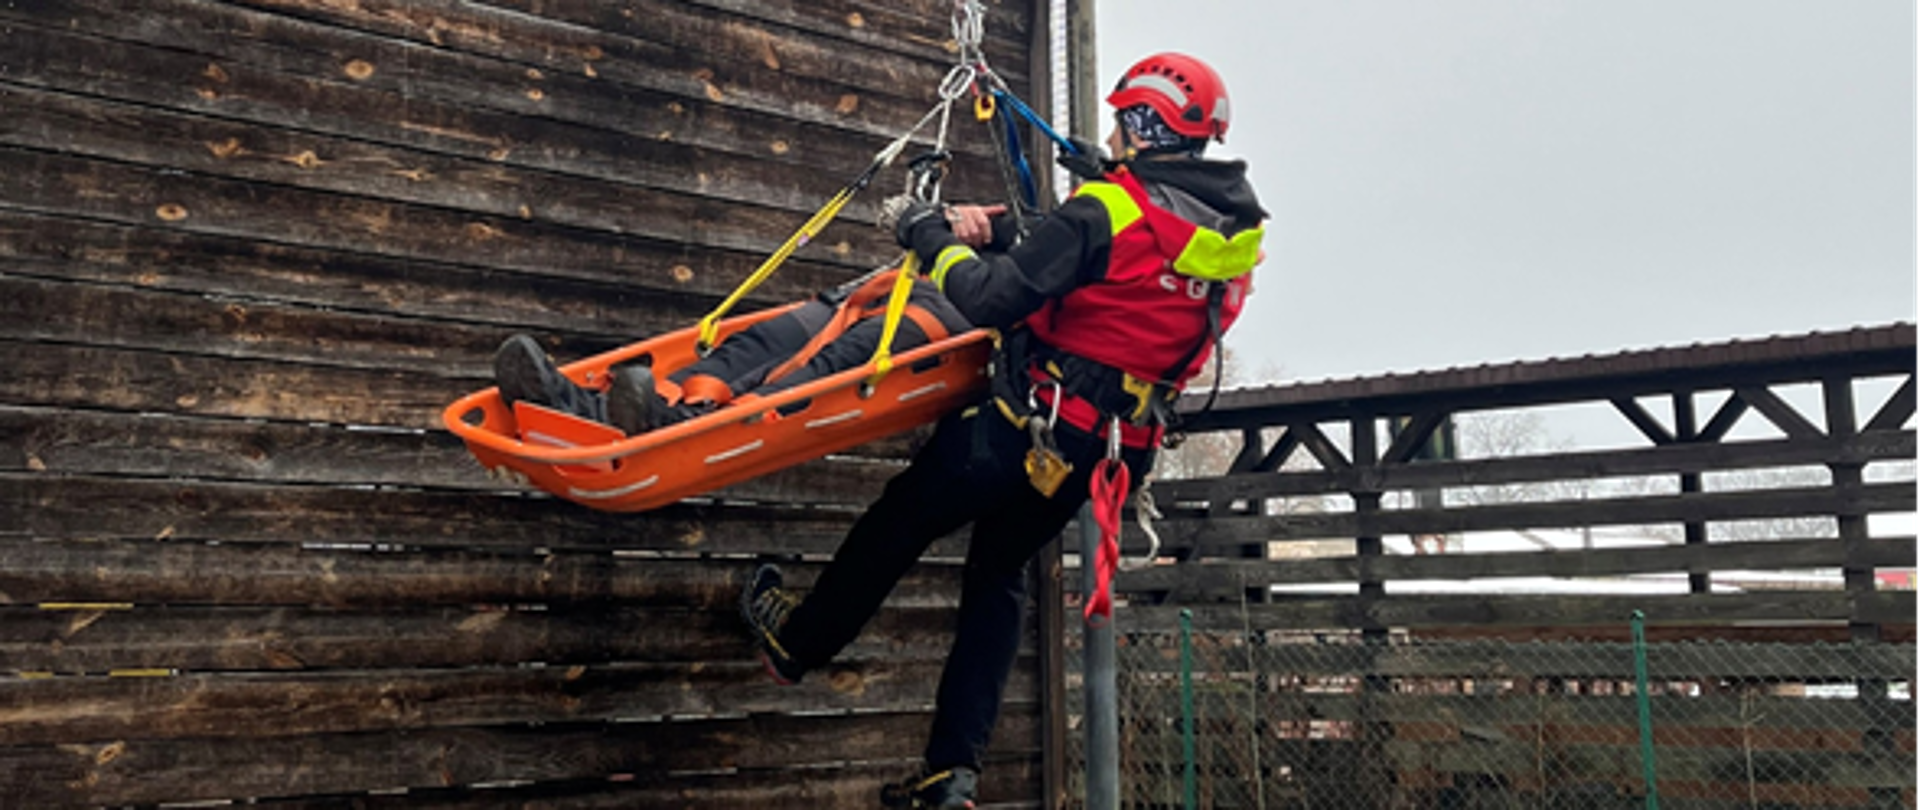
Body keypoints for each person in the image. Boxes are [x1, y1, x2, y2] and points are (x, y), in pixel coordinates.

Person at [739, 53, 1267, 808]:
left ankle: (797, 645)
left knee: (901, 518)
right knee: (998, 574)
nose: (1114, 130)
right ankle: (950, 773)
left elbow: (993, 298)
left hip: (1028, 430)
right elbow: (1125, 273)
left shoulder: (1107, 211)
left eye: (1124, 120)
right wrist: (1066, 209)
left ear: (1145, 125)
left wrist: (931, 236)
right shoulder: (1230, 236)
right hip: (1108, 452)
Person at [491, 269, 976, 434]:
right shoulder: (1017, 171)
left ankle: (680, 428)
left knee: (821, 373)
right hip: (894, 288)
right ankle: (584, 405)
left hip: (961, 315)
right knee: (757, 343)